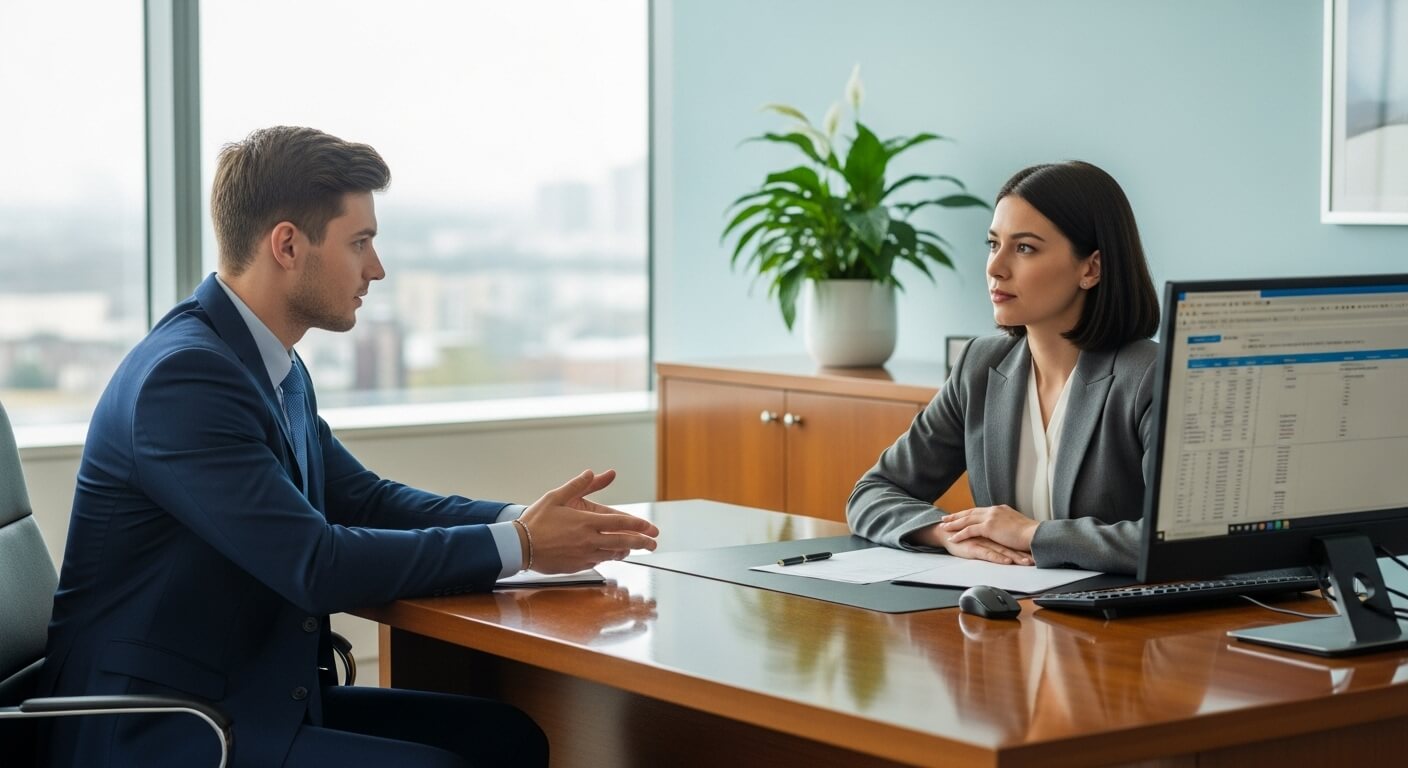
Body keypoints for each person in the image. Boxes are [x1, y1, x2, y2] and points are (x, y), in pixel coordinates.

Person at [37, 126, 659, 768]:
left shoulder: (268, 364)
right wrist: (523, 547)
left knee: (508, 738)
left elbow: (363, 498)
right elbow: (315, 563)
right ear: (287, 245)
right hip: (157, 728)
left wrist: (522, 521)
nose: (376, 268)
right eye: (359, 242)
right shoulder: (186, 380)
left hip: (247, 700)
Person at [847, 160, 1160, 575]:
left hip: (1122, 627)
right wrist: (948, 534)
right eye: (994, 244)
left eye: (1025, 247)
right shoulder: (980, 365)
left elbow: (1177, 540)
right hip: (1010, 618)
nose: (996, 267)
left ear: (1091, 268)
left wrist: (1032, 535)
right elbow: (872, 492)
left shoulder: (1150, 376)